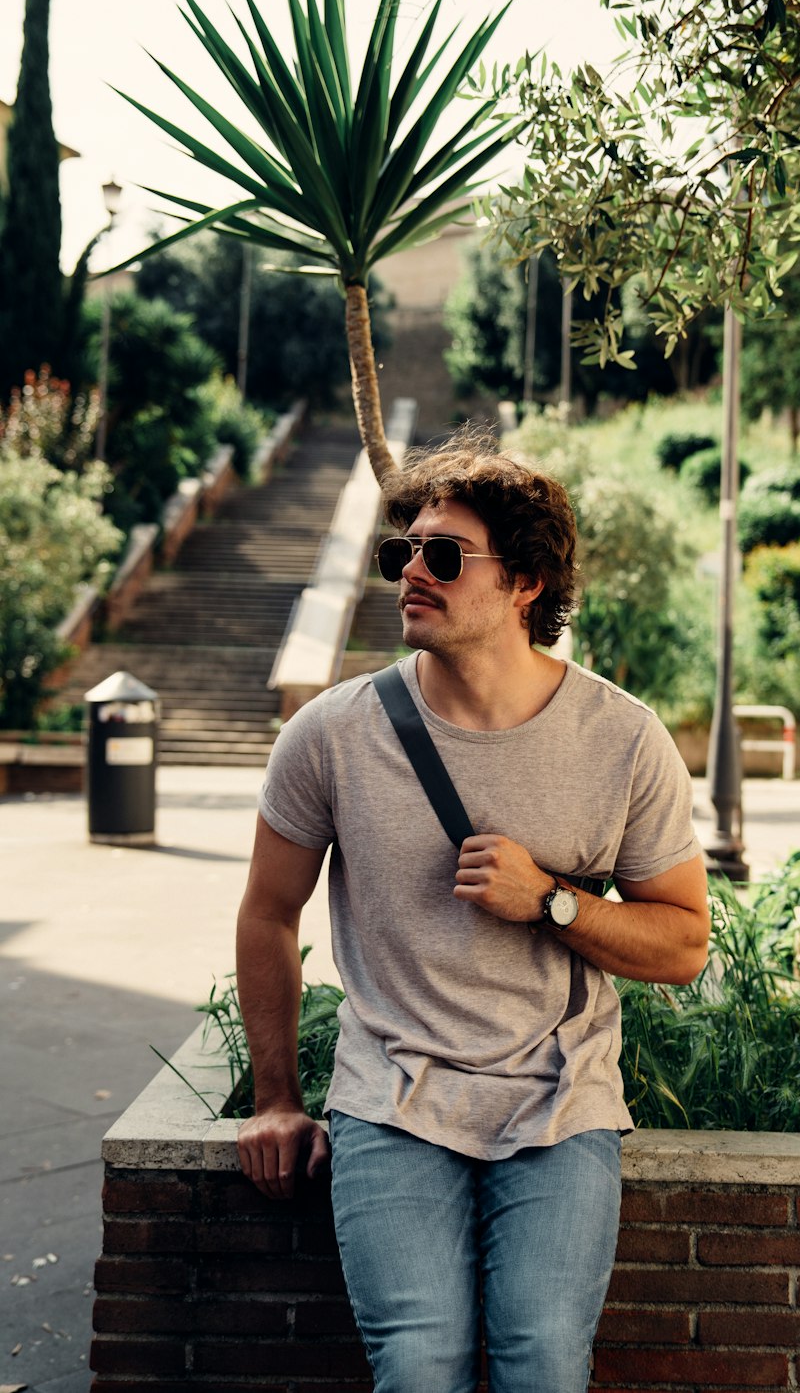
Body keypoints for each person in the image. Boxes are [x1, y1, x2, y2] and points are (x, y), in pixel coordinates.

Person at [235, 433, 710, 1393]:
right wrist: (277, 1099)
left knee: (543, 1368)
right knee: (417, 1369)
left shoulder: (622, 738)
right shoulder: (329, 734)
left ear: (527, 581)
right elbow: (266, 915)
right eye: (401, 552)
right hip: (393, 1095)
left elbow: (684, 941)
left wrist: (551, 902)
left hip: (559, 1100)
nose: (411, 570)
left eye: (443, 555)